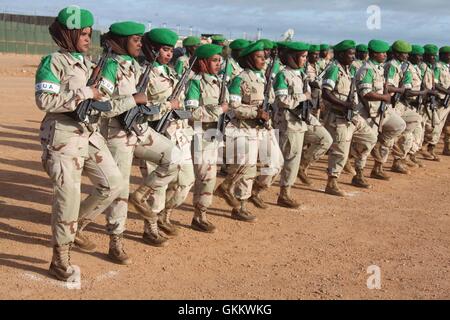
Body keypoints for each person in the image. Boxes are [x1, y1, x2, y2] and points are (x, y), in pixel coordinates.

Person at [35, 7, 124, 280]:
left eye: (89, 33)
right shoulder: (53, 62)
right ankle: (60, 259)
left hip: (89, 133)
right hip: (63, 137)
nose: (87, 38)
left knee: (112, 183)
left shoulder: (89, 64)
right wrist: (86, 91)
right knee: (68, 197)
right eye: (82, 33)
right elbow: (45, 101)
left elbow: (102, 103)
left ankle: (77, 227)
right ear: (68, 34)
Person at [76, 22, 182, 251]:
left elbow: (145, 100)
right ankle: (114, 240)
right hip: (116, 134)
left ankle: (142, 195)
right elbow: (99, 105)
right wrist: (132, 100)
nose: (140, 44)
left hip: (139, 129)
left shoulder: (136, 66)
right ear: (123, 41)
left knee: (174, 158)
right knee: (119, 191)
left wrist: (156, 106)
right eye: (136, 40)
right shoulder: (110, 67)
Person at [136, 28, 195, 237]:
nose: (169, 54)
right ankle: (150, 227)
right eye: (164, 50)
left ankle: (165, 215)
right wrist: (166, 106)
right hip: (154, 133)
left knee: (186, 180)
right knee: (157, 187)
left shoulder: (171, 72)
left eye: (171, 50)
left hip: (176, 133)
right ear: (152, 50)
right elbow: (141, 106)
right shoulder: (143, 73)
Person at [216, 41, 283, 218]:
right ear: (249, 59)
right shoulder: (240, 78)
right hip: (245, 129)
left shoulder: (264, 77)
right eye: (259, 57)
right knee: (248, 168)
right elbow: (233, 107)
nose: (264, 60)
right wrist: (256, 113)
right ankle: (240, 206)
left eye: (264, 57)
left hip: (265, 129)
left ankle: (255, 191)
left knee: (276, 163)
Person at [322, 40, 377, 196]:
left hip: (352, 116)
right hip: (338, 116)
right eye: (350, 54)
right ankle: (332, 182)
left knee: (370, 138)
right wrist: (344, 104)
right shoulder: (334, 69)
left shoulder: (350, 70)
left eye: (354, 53)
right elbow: (326, 92)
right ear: (340, 55)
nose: (353, 57)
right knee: (339, 152)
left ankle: (358, 170)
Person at [185, 44, 228, 232]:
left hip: (214, 135)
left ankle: (200, 215)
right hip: (199, 135)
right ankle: (164, 216)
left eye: (220, 60)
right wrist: (219, 110)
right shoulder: (195, 83)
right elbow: (192, 112)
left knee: (210, 177)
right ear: (203, 62)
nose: (218, 64)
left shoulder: (219, 81)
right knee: (193, 178)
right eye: (214, 60)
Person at [355, 39, 406, 181]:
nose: (384, 55)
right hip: (368, 112)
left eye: (385, 52)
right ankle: (359, 173)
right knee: (366, 143)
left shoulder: (379, 68)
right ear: (372, 54)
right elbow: (365, 93)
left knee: (399, 125)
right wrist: (384, 97)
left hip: (382, 110)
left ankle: (378, 164)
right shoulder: (366, 70)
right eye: (381, 53)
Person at [272, 41, 312, 208]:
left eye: (305, 56)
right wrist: (303, 97)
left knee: (294, 157)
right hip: (288, 122)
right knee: (286, 159)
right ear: (293, 57)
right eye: (302, 56)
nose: (304, 59)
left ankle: (285, 190)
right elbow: (282, 101)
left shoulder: (301, 74)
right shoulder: (283, 75)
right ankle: (281, 193)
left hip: (300, 121)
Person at [384, 40, 422, 174]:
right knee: (379, 136)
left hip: (399, 103)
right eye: (402, 53)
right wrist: (403, 90)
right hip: (389, 104)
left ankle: (398, 158)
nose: (405, 56)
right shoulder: (391, 66)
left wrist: (405, 90)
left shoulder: (401, 66)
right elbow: (388, 87)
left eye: (407, 53)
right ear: (395, 53)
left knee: (415, 120)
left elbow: (406, 86)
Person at [422, 45, 450, 160]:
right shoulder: (438, 67)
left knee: (444, 125)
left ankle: (432, 149)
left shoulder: (447, 67)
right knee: (435, 126)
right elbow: (436, 85)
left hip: (446, 101)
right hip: (440, 101)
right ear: (443, 55)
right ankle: (425, 148)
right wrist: (447, 92)